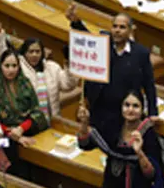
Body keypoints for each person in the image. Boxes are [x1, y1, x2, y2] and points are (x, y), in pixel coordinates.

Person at [67, 10, 158, 147]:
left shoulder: (141, 53)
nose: (117, 30)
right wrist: (76, 22)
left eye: (122, 27)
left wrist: (152, 112)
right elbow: (89, 39)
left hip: (124, 113)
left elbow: (149, 84)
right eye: (115, 26)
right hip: (100, 109)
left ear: (130, 30)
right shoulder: (104, 43)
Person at [77, 91, 164, 188]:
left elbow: (151, 174)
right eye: (127, 105)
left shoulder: (148, 134)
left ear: (142, 109)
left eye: (135, 106)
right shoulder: (114, 126)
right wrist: (84, 123)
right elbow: (84, 144)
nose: (130, 109)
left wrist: (139, 152)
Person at [0, 49, 48, 179]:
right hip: (2, 135)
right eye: (7, 66)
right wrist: (13, 134)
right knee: (7, 147)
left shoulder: (25, 84)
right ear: (0, 66)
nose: (11, 70)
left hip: (25, 129)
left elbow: (36, 111)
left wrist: (21, 129)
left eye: (14, 66)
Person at [0, 25, 78, 119]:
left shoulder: (52, 67)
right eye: (31, 51)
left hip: (52, 120)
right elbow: (2, 59)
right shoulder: (18, 66)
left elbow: (69, 85)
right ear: (24, 52)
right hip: (28, 122)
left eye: (37, 51)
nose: (34, 55)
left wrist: (70, 67)